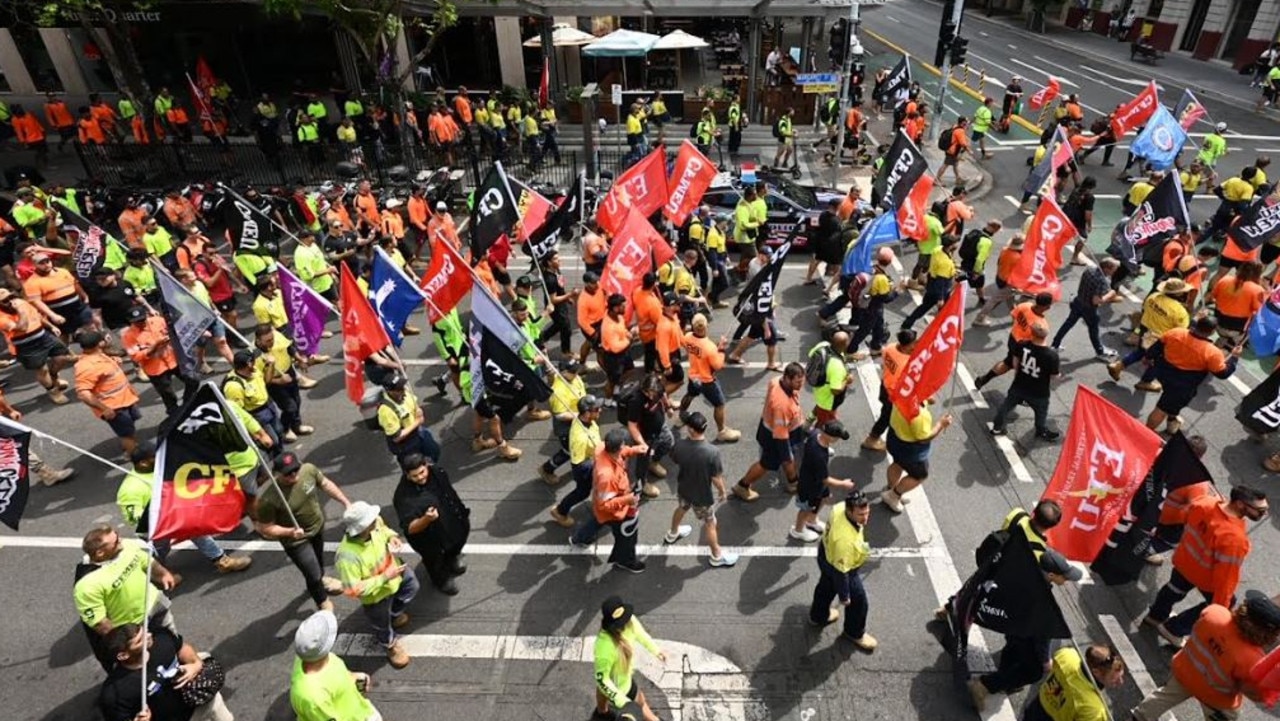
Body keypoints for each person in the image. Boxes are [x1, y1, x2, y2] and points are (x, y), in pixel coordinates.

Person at [1142, 485, 1268, 645]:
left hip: (1184, 560)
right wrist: (1220, 608)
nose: (1262, 514)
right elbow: (1226, 577)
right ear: (1240, 504)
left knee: (1173, 589)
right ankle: (1175, 629)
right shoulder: (1234, 539)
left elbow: (1187, 520)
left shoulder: (1205, 503)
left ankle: (1155, 616)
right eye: (1260, 510)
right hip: (1205, 576)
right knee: (1227, 602)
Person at [1131, 592, 1280, 721]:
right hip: (1216, 696)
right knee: (1227, 717)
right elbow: (1252, 691)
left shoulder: (1215, 613)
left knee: (1164, 696)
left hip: (1186, 671)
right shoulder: (1253, 658)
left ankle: (1140, 715)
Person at [970, 549, 1084, 711]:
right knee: (1033, 671)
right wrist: (1045, 661)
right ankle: (984, 685)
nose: (1066, 580)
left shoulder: (1026, 573)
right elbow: (1042, 635)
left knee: (1012, 650)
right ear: (1051, 575)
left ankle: (1005, 680)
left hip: (1014, 624)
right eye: (1064, 577)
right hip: (1026, 632)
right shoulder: (1043, 601)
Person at [116, 442, 252, 573]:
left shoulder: (163, 468)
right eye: (156, 457)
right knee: (156, 556)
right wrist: (164, 514)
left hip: (177, 517)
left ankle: (222, 561)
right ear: (143, 463)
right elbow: (135, 518)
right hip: (156, 529)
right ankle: (150, 573)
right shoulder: (131, 489)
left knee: (196, 531)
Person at [75, 523, 181, 670]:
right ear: (100, 553)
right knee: (146, 660)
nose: (121, 541)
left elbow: (147, 561)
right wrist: (128, 640)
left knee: (173, 640)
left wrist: (162, 574)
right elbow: (100, 623)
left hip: (157, 604)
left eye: (117, 536)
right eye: (116, 541)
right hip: (134, 628)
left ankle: (177, 661)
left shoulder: (127, 547)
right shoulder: (86, 585)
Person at [254, 452, 351, 612]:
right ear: (277, 474)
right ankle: (322, 601)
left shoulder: (308, 470)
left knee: (318, 562)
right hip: (296, 541)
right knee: (311, 573)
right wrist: (289, 532)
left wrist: (345, 502)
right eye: (288, 473)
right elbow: (265, 528)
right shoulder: (269, 499)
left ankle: (322, 580)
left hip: (317, 527)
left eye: (295, 469)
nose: (294, 475)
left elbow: (326, 484)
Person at [335, 501, 419, 669]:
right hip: (376, 596)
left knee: (412, 586)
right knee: (381, 624)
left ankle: (394, 614)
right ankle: (390, 646)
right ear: (362, 528)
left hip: (395, 573)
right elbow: (353, 589)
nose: (376, 520)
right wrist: (383, 578)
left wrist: (392, 537)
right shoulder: (347, 557)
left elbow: (384, 529)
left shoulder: (375, 523)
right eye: (371, 520)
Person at [98, 624, 233, 721]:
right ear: (123, 656)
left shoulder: (161, 637)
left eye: (144, 631)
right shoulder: (115, 694)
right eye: (140, 640)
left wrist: (195, 664)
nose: (149, 635)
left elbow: (182, 647)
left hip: (207, 702)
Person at [1141, 317, 1240, 434]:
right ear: (1213, 331)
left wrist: (1147, 358)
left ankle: (1172, 419)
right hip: (1182, 384)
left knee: (1172, 403)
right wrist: (1234, 358)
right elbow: (1223, 373)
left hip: (1163, 372)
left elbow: (1157, 347)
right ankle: (1145, 432)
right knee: (1162, 409)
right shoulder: (1212, 353)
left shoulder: (1177, 332)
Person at [665, 411, 737, 568]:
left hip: (684, 487)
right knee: (710, 523)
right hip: (702, 496)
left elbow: (675, 459)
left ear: (689, 428)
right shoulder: (712, 452)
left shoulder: (679, 446)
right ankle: (717, 556)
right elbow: (716, 478)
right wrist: (722, 491)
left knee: (682, 508)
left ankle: (672, 533)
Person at [808, 491, 877, 651]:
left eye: (867, 512)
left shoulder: (839, 508)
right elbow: (841, 573)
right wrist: (845, 596)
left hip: (826, 554)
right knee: (858, 601)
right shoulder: (844, 541)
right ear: (849, 511)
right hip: (841, 566)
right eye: (860, 514)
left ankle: (818, 616)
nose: (865, 518)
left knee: (825, 587)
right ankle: (854, 632)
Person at [393, 453, 470, 597]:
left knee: (456, 544)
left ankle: (452, 558)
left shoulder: (437, 472)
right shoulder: (403, 497)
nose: (421, 477)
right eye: (415, 476)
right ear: (407, 475)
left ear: (426, 466)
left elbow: (449, 492)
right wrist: (426, 519)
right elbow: (410, 528)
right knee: (435, 561)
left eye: (422, 472)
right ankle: (441, 580)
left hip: (451, 523)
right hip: (430, 539)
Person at [734, 363, 806, 501]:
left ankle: (793, 482)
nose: (801, 385)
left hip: (771, 428)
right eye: (798, 382)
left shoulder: (775, 381)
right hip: (777, 436)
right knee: (768, 463)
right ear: (787, 378)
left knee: (785, 458)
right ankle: (742, 486)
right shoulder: (782, 406)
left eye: (802, 381)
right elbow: (781, 437)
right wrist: (786, 454)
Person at [291, 610, 380, 721]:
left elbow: (335, 672)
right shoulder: (312, 697)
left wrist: (353, 677)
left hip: (361, 710)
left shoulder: (307, 656)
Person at [579, 428, 647, 573]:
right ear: (616, 448)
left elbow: (621, 453)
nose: (624, 447)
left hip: (603, 506)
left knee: (599, 519)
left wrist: (634, 450)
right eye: (623, 445)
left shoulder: (603, 448)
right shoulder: (607, 476)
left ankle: (581, 538)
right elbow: (606, 505)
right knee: (626, 537)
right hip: (616, 512)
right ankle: (625, 560)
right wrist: (626, 500)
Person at [593, 596, 667, 721]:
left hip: (622, 678)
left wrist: (656, 650)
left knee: (603, 694)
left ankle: (601, 713)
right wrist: (623, 702)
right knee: (641, 705)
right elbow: (602, 680)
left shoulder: (629, 620)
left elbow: (640, 633)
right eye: (620, 623)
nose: (624, 624)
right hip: (621, 688)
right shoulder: (604, 647)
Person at [0, 287, 74, 404]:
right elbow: (22, 327)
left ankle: (53, 377)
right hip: (25, 345)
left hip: (43, 336)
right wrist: (21, 311)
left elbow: (37, 316)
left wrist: (51, 326)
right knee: (42, 370)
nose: (11, 301)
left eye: (11, 297)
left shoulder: (21, 302)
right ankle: (53, 391)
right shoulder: (2, 317)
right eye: (5, 300)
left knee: (62, 357)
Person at [990, 321, 1062, 441]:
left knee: (1006, 406)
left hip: (1019, 385)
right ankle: (1040, 430)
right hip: (1039, 391)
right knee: (1041, 411)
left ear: (1031, 333)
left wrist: (1019, 373)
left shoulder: (1022, 345)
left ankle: (997, 427)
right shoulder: (1051, 355)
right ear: (1046, 335)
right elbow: (1054, 376)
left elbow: (1015, 363)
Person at [74, 330, 142, 457]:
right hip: (115, 408)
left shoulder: (99, 355)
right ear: (100, 343)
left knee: (129, 428)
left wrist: (114, 361)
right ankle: (136, 457)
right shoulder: (86, 366)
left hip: (126, 399)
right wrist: (104, 409)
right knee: (126, 434)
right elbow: (83, 393)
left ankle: (131, 446)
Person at [881, 400, 953, 513]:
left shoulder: (902, 395)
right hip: (911, 450)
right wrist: (941, 424)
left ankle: (891, 488)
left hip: (894, 438)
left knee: (897, 463)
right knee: (919, 475)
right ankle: (894, 495)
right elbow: (924, 438)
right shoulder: (921, 415)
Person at [1022, 644, 1126, 721]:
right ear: (1096, 672)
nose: (1121, 682)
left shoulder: (1068, 655)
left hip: (1035, 708)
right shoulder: (1093, 709)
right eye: (1115, 678)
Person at [678, 314, 739, 442]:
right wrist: (721, 349)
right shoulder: (710, 347)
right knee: (720, 404)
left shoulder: (688, 337)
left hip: (694, 377)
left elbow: (686, 344)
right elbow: (718, 365)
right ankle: (722, 431)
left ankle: (681, 415)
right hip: (707, 381)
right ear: (706, 326)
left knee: (690, 394)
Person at [974, 292, 1054, 390]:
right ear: (1046, 307)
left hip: (1013, 338)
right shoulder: (1041, 325)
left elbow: (1014, 315)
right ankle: (1017, 393)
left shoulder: (1025, 305)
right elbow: (1039, 342)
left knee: (1008, 363)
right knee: (1021, 370)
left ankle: (984, 379)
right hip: (1024, 348)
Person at [793, 421, 856, 543]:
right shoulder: (819, 456)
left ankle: (811, 520)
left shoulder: (816, 434)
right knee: (806, 508)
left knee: (825, 497)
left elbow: (806, 429)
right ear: (830, 437)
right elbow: (825, 479)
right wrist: (843, 484)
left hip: (817, 483)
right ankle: (798, 530)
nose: (838, 440)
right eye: (837, 438)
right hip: (809, 485)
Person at [122, 306, 190, 414]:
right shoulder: (128, 336)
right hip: (156, 368)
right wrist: (154, 346)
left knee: (192, 380)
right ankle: (174, 413)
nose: (140, 323)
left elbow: (175, 332)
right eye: (136, 322)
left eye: (142, 320)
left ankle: (188, 402)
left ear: (147, 316)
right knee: (168, 395)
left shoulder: (159, 321)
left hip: (174, 359)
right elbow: (135, 356)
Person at [550, 394, 604, 529]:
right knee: (582, 492)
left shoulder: (587, 421)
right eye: (596, 409)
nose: (600, 411)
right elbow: (578, 462)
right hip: (584, 466)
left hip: (593, 458)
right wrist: (596, 466)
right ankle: (560, 511)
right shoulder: (580, 437)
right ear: (586, 413)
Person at [1052, 257, 1120, 359]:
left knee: (1068, 323)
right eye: (1113, 269)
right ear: (1107, 268)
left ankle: (1055, 344)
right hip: (1089, 308)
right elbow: (1096, 301)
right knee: (1093, 330)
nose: (1114, 272)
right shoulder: (1102, 281)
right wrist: (1110, 295)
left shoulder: (1089, 270)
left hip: (1078, 301)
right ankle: (1100, 352)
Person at [862, 329, 916, 452]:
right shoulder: (906, 363)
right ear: (907, 345)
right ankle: (871, 439)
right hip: (893, 394)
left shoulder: (890, 348)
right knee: (886, 417)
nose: (915, 345)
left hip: (885, 386)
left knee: (886, 413)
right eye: (914, 343)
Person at [23, 251, 93, 339]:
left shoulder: (63, 271)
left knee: (91, 327)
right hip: (58, 312)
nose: (46, 265)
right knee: (63, 336)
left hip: (77, 307)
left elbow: (75, 284)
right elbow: (36, 302)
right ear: (34, 265)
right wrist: (53, 315)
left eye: (47, 261)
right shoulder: (31, 282)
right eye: (41, 263)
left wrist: (85, 296)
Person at [376, 373, 441, 463]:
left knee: (434, 452)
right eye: (399, 389)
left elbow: (414, 403)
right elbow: (397, 437)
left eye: (402, 385)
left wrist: (418, 411)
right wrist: (417, 421)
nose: (403, 389)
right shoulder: (386, 411)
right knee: (415, 466)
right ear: (390, 391)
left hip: (418, 432)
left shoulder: (404, 392)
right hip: (406, 444)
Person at [808, 331, 853, 426]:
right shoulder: (837, 367)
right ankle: (816, 434)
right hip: (828, 399)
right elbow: (835, 391)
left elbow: (811, 354)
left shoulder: (823, 345)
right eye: (848, 341)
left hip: (819, 389)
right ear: (844, 345)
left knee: (819, 405)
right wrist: (846, 380)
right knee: (823, 422)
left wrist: (851, 357)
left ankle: (810, 419)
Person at [938, 117, 970, 186]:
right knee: (945, 165)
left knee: (955, 165)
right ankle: (937, 179)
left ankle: (958, 178)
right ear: (963, 123)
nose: (967, 124)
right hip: (953, 151)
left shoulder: (955, 126)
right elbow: (963, 143)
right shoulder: (960, 131)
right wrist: (969, 151)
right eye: (966, 122)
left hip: (950, 149)